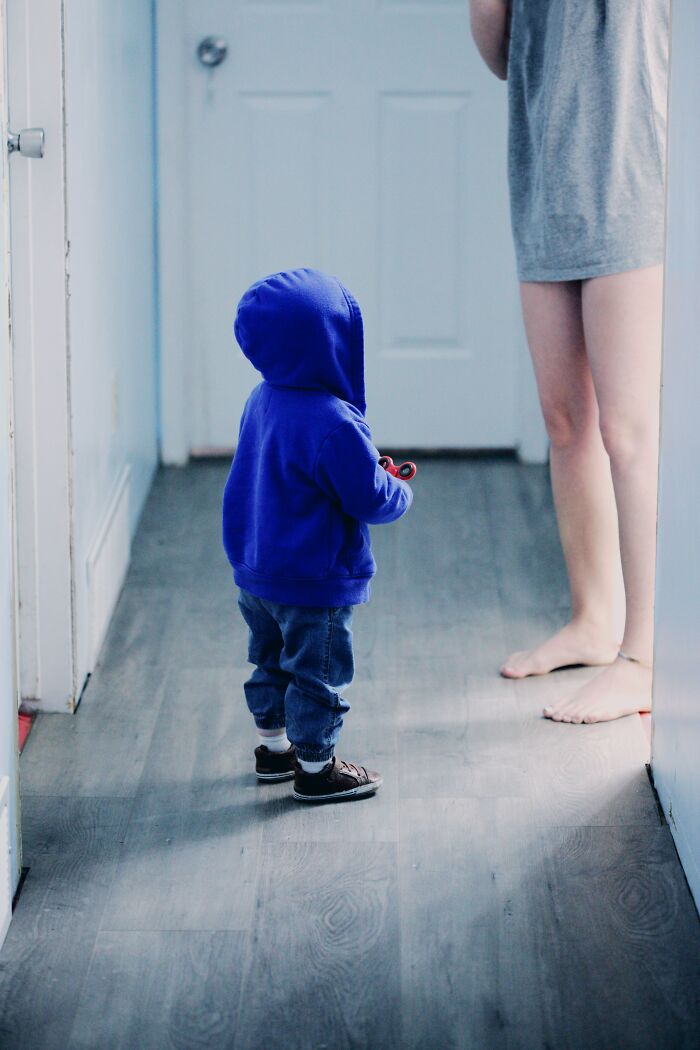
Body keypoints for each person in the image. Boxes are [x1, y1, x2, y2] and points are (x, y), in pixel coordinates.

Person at [470, 0, 669, 723]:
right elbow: (500, 55)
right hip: (546, 176)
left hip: (633, 177)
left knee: (628, 431)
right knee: (565, 420)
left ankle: (645, 656)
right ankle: (596, 618)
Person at [222, 268, 413, 800]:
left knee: (268, 660)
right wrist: (396, 486)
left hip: (257, 573)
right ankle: (315, 770)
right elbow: (371, 499)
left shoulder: (261, 398)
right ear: (333, 342)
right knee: (317, 673)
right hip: (313, 582)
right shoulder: (334, 422)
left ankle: (274, 751)